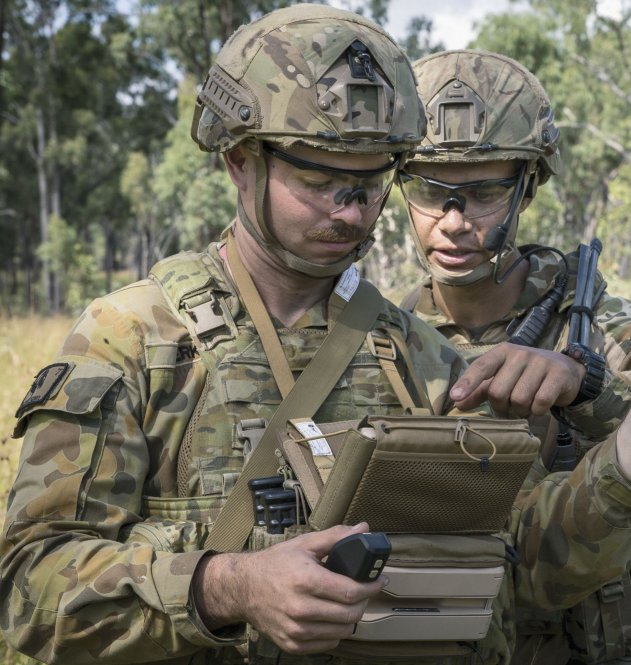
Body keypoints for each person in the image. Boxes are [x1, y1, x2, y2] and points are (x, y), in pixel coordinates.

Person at [0, 8, 596, 665]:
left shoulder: (418, 356)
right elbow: (26, 585)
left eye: (372, 184)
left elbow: (530, 571)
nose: (350, 209)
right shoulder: (133, 339)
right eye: (318, 181)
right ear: (239, 161)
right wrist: (225, 587)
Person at [396, 49, 631, 664]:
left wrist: (594, 391)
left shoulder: (600, 326)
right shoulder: (385, 335)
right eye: (427, 190)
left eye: (483, 192)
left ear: (527, 187)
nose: (452, 221)